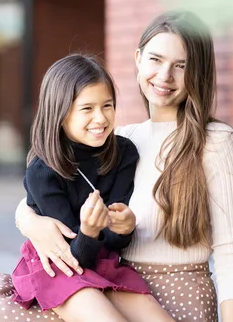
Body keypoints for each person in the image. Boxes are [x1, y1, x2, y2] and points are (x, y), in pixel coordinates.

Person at [0, 10, 233, 322]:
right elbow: (39, 195)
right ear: (138, 59)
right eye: (156, 60)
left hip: (169, 293)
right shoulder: (117, 139)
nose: (164, 75)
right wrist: (29, 222)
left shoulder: (216, 141)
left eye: (181, 65)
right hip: (98, 282)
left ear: (198, 72)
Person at [10, 54, 174, 322]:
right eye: (87, 109)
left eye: (107, 105)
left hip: (106, 264)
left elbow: (114, 241)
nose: (101, 118)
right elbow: (74, 258)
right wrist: (88, 230)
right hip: (60, 267)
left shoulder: (123, 153)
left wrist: (124, 228)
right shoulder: (43, 173)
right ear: (60, 115)